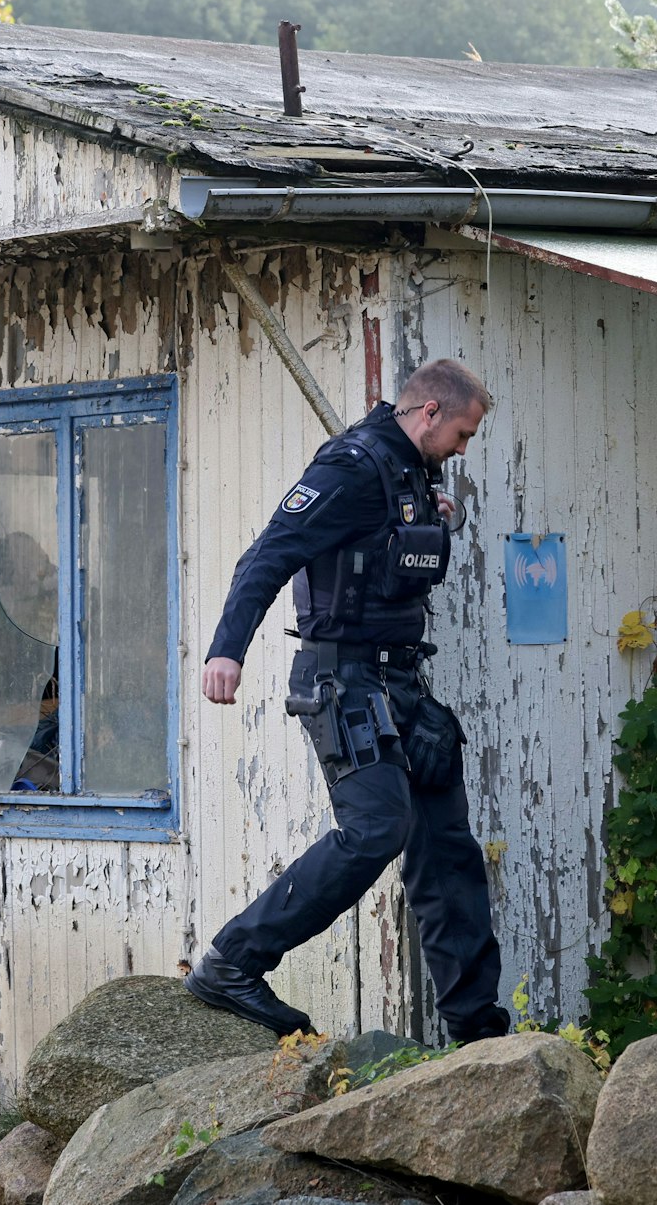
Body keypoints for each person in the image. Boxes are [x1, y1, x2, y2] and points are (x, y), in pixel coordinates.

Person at [185, 358, 512, 1043]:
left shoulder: (411, 473)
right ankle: (233, 961)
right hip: (342, 680)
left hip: (402, 683)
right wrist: (226, 650)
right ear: (429, 412)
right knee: (377, 828)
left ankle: (478, 1030)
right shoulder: (351, 468)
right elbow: (268, 554)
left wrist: (433, 515)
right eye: (462, 433)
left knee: (447, 846)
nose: (462, 449)